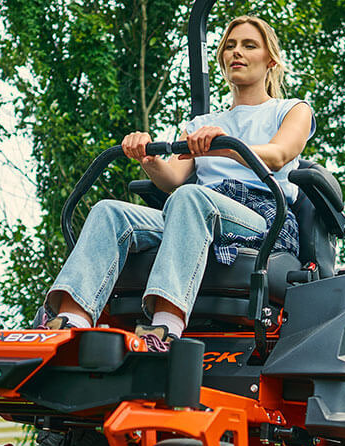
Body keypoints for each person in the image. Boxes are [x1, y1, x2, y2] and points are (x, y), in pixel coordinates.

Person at [40, 15, 316, 351]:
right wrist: (148, 159)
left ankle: (165, 327)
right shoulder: (204, 123)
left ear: (270, 60)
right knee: (110, 212)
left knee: (191, 199)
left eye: (248, 45)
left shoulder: (290, 110)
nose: (236, 53)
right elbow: (173, 179)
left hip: (260, 216)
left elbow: (277, 155)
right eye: (229, 46)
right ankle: (70, 321)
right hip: (197, 211)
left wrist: (226, 145)